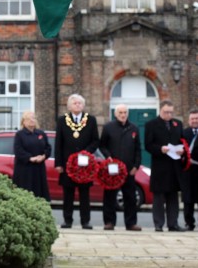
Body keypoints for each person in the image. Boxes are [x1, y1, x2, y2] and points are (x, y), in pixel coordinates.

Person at [54, 94, 99, 229]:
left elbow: (95, 140)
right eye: (75, 103)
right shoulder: (62, 120)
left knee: (84, 194)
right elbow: (58, 143)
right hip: (68, 164)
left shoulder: (91, 120)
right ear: (69, 106)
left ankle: (85, 221)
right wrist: (58, 163)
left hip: (85, 164)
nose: (77, 105)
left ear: (83, 106)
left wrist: (86, 152)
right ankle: (68, 220)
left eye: (80, 103)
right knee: (68, 193)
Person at [99, 104, 142, 231]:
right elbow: (102, 146)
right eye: (120, 113)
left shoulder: (134, 128)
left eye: (125, 112)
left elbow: (138, 149)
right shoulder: (108, 127)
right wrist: (108, 156)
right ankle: (109, 222)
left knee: (130, 197)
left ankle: (131, 223)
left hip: (129, 169)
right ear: (115, 114)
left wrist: (136, 165)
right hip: (113, 169)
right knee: (109, 196)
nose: (123, 115)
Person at [144, 100, 185, 232]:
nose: (169, 115)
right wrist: (160, 149)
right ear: (160, 110)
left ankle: (173, 224)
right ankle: (159, 224)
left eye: (171, 112)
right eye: (166, 112)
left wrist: (182, 150)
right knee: (159, 197)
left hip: (174, 166)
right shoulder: (151, 125)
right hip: (160, 166)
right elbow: (148, 145)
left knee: (173, 197)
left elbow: (182, 142)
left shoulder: (177, 124)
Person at [12, 111, 51, 201]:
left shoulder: (41, 133)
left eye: (33, 118)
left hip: (39, 169)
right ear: (24, 121)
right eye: (29, 119)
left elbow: (48, 147)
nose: (32, 120)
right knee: (26, 194)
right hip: (25, 170)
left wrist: (44, 156)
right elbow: (18, 150)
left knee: (39, 194)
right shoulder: (20, 135)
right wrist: (30, 158)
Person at [180, 109, 198, 231]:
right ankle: (189, 223)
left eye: (196, 118)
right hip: (188, 170)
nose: (194, 121)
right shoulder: (184, 133)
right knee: (187, 199)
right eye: (192, 119)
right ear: (189, 120)